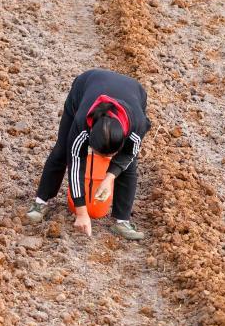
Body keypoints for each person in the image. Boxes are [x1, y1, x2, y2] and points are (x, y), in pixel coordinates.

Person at [26, 69, 151, 240]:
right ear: (90, 136)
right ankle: (41, 202)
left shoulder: (137, 126)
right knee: (62, 150)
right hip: (87, 84)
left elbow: (128, 154)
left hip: (133, 91)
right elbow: (75, 163)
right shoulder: (82, 123)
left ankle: (122, 221)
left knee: (130, 164)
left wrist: (109, 178)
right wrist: (81, 212)